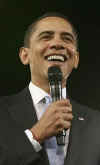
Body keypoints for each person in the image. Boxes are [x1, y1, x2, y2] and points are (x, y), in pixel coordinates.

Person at [0, 12, 100, 165]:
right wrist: (35, 136)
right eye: (46, 37)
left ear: (76, 59)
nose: (57, 44)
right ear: (25, 55)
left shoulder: (96, 122)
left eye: (66, 38)